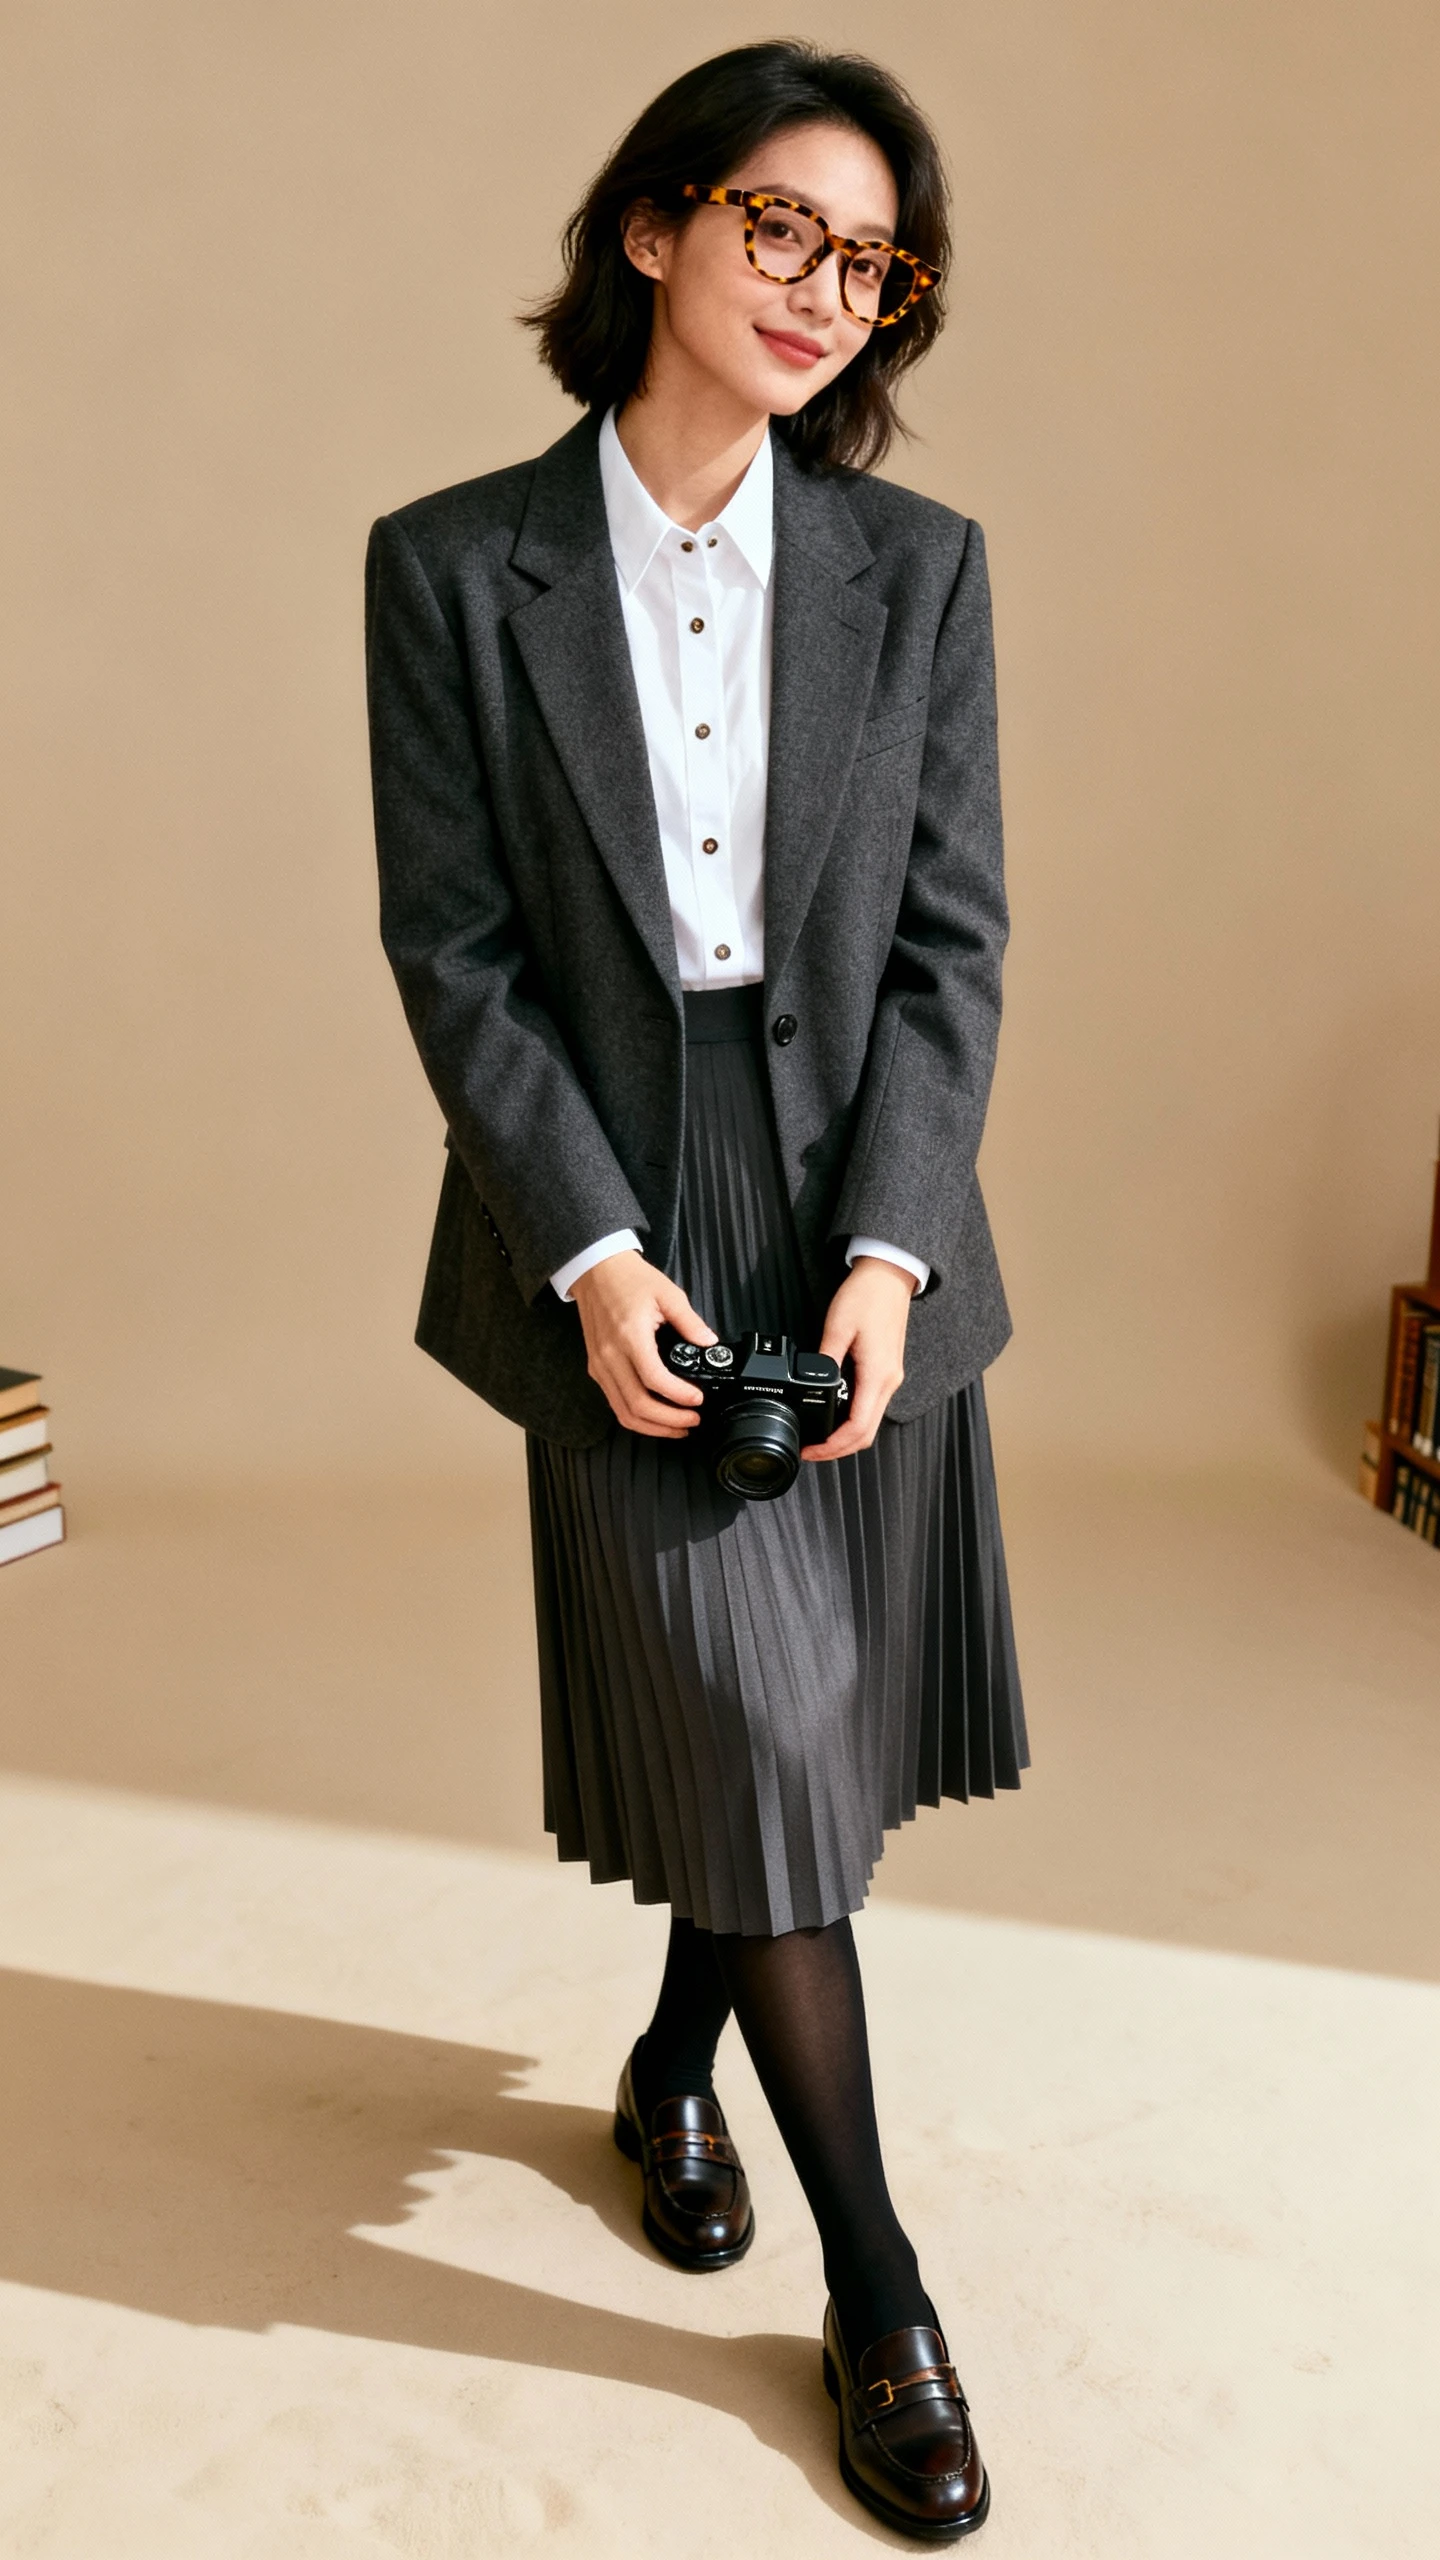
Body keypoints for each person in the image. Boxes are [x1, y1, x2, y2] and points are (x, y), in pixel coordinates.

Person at [365, 39, 1025, 2541]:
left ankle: (672, 2068)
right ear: (652, 227)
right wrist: (594, 1244)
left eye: (872, 266)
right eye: (783, 231)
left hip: (858, 1184)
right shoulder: (447, 564)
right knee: (757, 1727)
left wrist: (887, 1246)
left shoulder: (921, 570)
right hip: (607, 1207)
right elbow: (455, 948)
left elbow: (955, 938)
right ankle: (880, 2283)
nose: (824, 295)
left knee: (814, 1730)